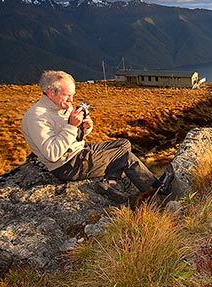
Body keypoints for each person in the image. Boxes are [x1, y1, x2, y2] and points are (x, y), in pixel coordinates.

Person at [21, 70, 174, 203]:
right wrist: (72, 126)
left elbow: (75, 137)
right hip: (67, 165)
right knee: (124, 157)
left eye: (73, 95)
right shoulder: (37, 117)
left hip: (78, 151)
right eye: (67, 96)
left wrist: (85, 127)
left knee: (124, 144)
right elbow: (52, 154)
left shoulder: (60, 106)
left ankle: (110, 181)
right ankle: (157, 188)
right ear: (50, 92)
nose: (71, 101)